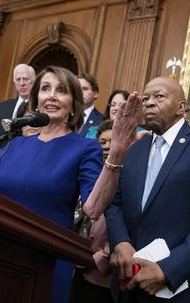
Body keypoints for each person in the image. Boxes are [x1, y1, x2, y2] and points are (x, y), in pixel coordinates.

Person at [0, 65, 143, 303]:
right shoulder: (15, 144)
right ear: (36, 100)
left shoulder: (86, 148)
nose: (52, 95)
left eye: (61, 90)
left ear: (74, 103)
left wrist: (116, 153)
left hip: (47, 264)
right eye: (45, 88)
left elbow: (93, 208)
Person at [106, 76, 190, 302]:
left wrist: (167, 270)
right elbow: (115, 205)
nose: (149, 103)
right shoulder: (134, 151)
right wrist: (120, 242)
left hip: (175, 288)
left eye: (159, 96)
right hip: (128, 286)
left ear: (181, 107)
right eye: (145, 99)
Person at [69, 119, 114, 303]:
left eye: (112, 141)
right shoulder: (89, 175)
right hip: (74, 268)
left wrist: (95, 260)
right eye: (102, 142)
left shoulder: (131, 179)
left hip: (101, 276)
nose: (106, 147)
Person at [77, 72, 104, 136]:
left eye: (85, 89)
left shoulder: (102, 120)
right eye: (77, 89)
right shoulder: (65, 116)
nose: (80, 93)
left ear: (95, 94)